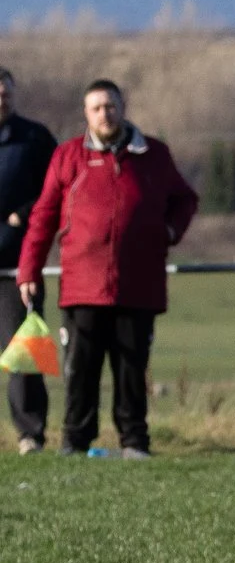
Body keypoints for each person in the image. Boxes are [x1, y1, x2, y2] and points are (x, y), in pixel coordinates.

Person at [14, 80, 197, 459]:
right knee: (80, 370)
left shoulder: (154, 155)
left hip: (138, 284)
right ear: (86, 113)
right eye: (96, 108)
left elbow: (185, 199)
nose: (104, 114)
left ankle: (134, 442)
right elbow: (43, 217)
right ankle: (75, 442)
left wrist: (169, 231)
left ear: (122, 107)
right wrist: (28, 270)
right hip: (82, 285)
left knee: (131, 369)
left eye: (111, 106)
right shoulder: (68, 157)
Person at [0, 69, 61, 453]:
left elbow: (57, 189)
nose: (1, 100)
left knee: (23, 350)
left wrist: (23, 213)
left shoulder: (35, 139)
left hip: (17, 267)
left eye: (5, 95)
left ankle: (30, 434)